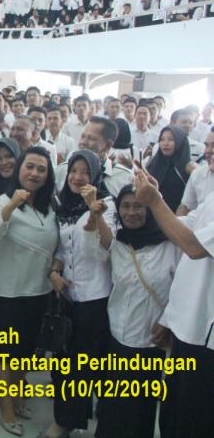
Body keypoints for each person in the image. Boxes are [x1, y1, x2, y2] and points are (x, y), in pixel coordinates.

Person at [0, 146, 58, 437]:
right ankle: (6, 407)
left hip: (39, 290)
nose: (34, 173)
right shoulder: (3, 200)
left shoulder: (51, 206)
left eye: (41, 169)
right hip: (10, 292)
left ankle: (17, 396)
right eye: (30, 167)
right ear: (19, 169)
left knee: (25, 351)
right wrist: (12, 205)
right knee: (6, 353)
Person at [133, 168, 214, 438]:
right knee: (172, 412)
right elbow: (186, 225)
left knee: (194, 419)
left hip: (205, 336)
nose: (209, 156)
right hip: (186, 325)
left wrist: (155, 201)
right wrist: (156, 201)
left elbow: (193, 246)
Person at [91, 186, 178, 438]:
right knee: (112, 404)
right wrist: (95, 214)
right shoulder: (119, 242)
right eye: (125, 206)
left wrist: (167, 321)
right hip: (116, 337)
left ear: (150, 209)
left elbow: (183, 287)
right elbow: (97, 247)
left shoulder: (171, 245)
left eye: (138, 206)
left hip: (149, 340)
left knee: (140, 407)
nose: (131, 212)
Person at [42, 150, 114, 438]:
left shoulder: (107, 205)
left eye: (85, 171)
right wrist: (54, 272)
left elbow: (107, 248)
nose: (78, 177)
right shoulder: (64, 207)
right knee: (65, 363)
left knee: (83, 365)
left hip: (95, 298)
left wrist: (95, 214)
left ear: (95, 174)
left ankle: (67, 422)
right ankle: (67, 417)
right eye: (73, 170)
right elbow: (61, 249)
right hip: (67, 296)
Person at [146, 125, 191, 213]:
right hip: (152, 214)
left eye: (170, 139)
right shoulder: (153, 164)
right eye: (162, 139)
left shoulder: (187, 168)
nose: (165, 143)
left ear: (180, 142)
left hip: (178, 216)